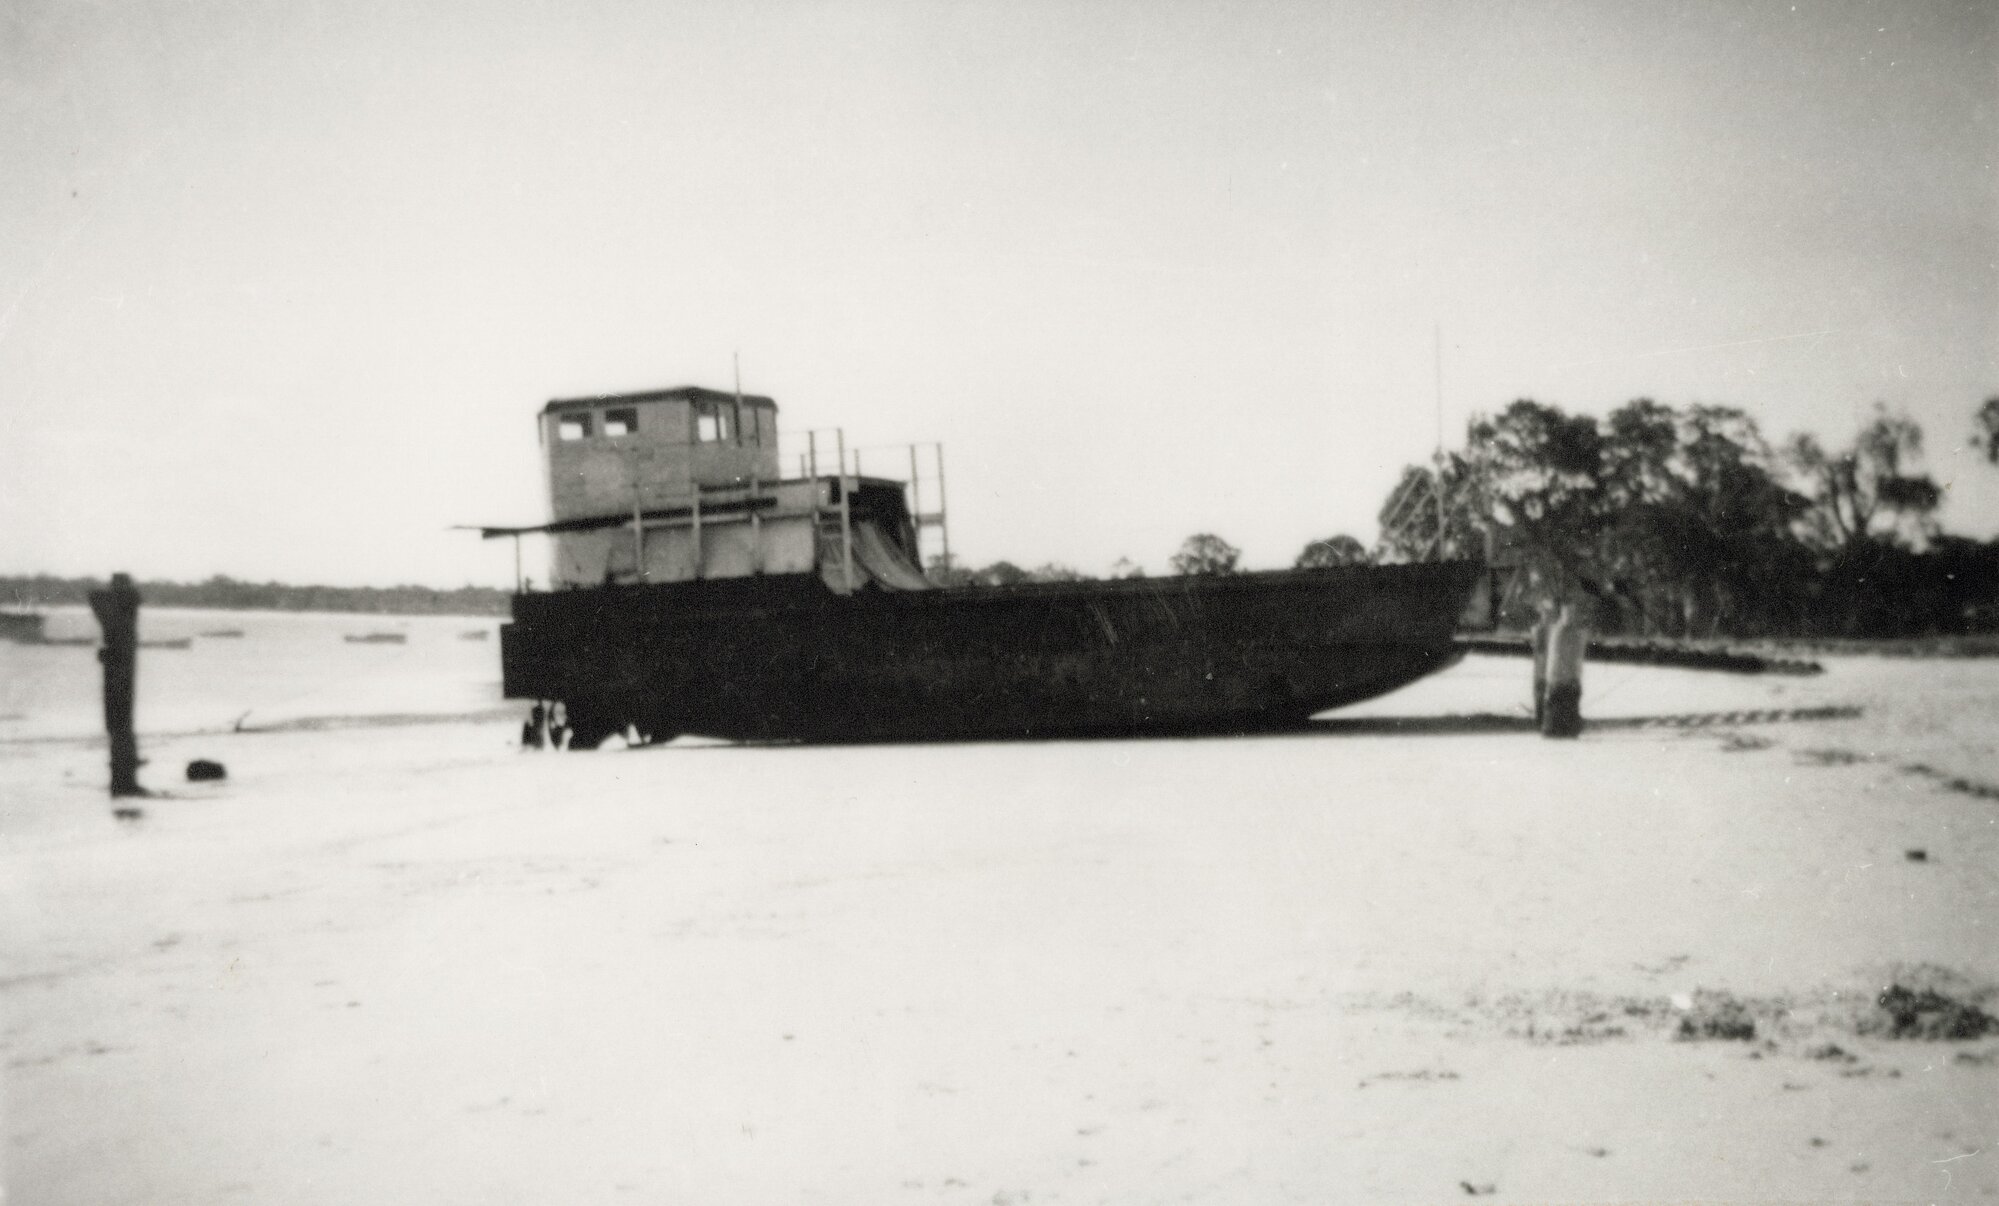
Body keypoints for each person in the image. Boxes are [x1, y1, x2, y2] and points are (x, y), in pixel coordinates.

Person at [1542, 602, 1588, 738]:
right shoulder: (1558, 632)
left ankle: (1567, 731)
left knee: (1568, 706)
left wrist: (1575, 676)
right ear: (1562, 615)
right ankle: (1555, 731)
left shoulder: (1575, 633)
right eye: (1567, 614)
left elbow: (1576, 657)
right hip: (1559, 677)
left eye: (1572, 614)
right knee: (1557, 707)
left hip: (1569, 677)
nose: (1570, 617)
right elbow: (1557, 657)